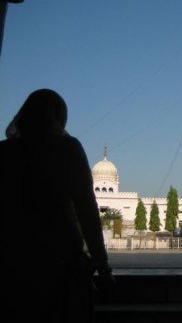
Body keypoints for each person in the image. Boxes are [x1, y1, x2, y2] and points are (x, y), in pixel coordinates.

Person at [0, 89, 114, 323]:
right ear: (59, 117)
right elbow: (87, 212)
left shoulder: (5, 152)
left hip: (14, 266)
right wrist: (103, 268)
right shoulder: (67, 149)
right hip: (61, 265)